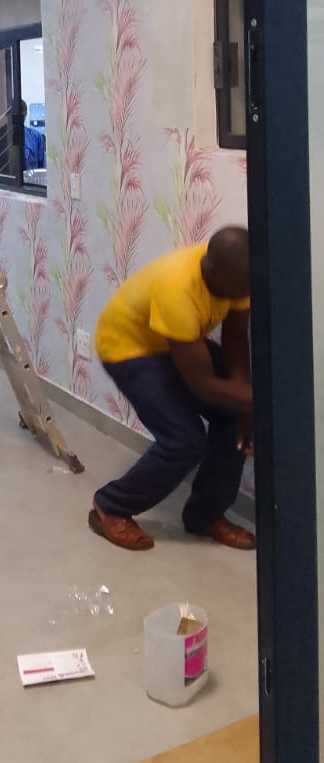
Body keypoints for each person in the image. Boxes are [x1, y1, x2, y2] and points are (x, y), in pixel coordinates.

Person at [90, 227, 255, 552]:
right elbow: (202, 385)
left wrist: (244, 406)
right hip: (128, 348)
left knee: (233, 417)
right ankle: (111, 506)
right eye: (240, 288)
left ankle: (205, 516)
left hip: (174, 342)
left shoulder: (239, 274)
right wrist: (256, 401)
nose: (246, 293)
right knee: (184, 441)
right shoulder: (178, 289)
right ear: (212, 272)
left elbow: (236, 341)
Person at [21, 100, 46, 170]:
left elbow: (42, 168)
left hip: (31, 176)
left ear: (25, 115)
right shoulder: (1, 138)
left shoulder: (36, 137)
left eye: (22, 115)